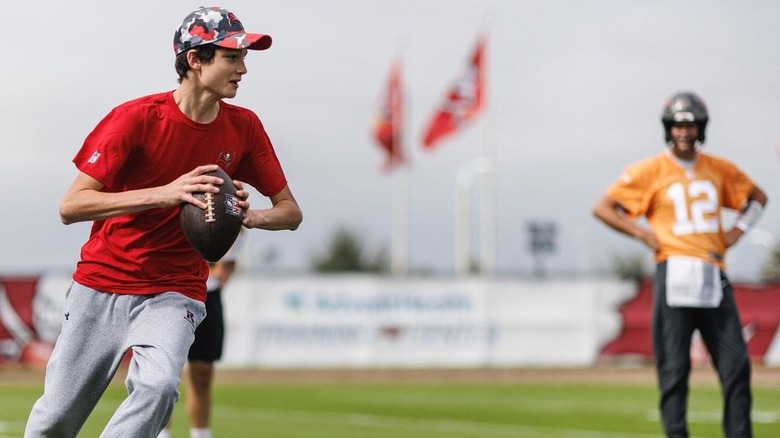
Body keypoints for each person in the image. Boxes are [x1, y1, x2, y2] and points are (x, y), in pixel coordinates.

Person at [24, 6, 302, 438]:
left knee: (156, 388)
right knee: (56, 421)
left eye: (244, 58)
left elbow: (291, 212)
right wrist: (167, 193)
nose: (244, 69)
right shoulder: (136, 118)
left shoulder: (245, 127)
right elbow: (71, 205)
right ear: (195, 59)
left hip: (176, 291)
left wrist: (252, 215)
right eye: (232, 57)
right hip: (101, 284)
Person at [593, 91, 766, 438]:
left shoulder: (718, 168)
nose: (683, 132)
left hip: (713, 273)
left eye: (689, 125)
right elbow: (603, 207)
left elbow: (757, 198)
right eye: (677, 125)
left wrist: (737, 231)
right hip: (674, 272)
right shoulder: (649, 170)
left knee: (736, 367)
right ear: (668, 129)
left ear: (701, 128)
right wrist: (640, 233)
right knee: (674, 370)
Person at [158, 232, 245, 438]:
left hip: (207, 294)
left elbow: (235, 234)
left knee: (203, 373)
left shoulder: (225, 203)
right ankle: (161, 434)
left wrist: (224, 268)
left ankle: (201, 435)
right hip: (170, 293)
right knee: (163, 375)